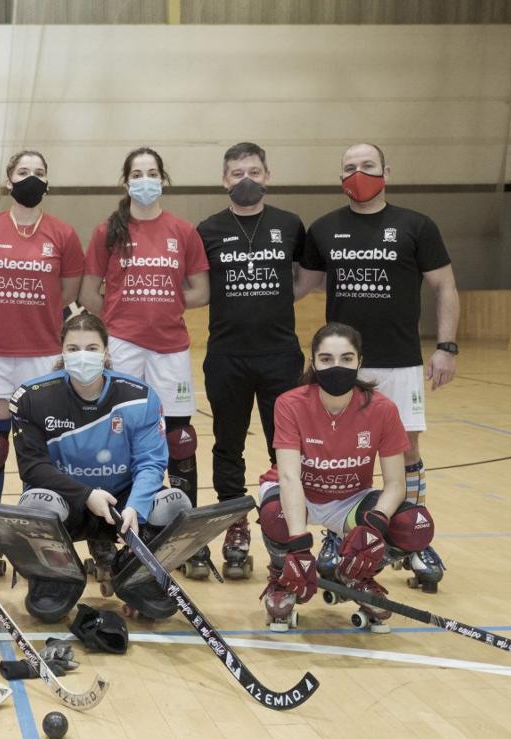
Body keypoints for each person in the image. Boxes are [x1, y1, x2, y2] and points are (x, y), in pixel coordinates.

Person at [297, 143, 458, 592]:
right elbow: (300, 286)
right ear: (340, 176)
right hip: (341, 364)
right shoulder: (324, 229)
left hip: (400, 360)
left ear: (386, 170)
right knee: (335, 456)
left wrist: (446, 346)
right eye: (349, 167)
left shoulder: (416, 226)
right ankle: (336, 534)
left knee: (406, 452)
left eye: (367, 166)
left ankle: (412, 538)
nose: (358, 173)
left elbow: (444, 286)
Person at [78, 147, 211, 576]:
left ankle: (182, 533)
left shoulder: (182, 231)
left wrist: (166, 304)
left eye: (152, 172)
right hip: (124, 343)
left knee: (178, 436)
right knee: (118, 435)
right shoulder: (107, 231)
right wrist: (117, 315)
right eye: (137, 173)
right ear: (126, 182)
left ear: (163, 179)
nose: (145, 179)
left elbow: (200, 290)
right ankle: (108, 530)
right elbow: (88, 292)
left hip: (170, 346)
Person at [257, 323, 435, 632]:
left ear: (360, 362)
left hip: (350, 499)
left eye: (346, 358)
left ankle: (355, 572)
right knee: (275, 514)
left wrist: (374, 525)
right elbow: (288, 476)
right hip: (301, 493)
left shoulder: (382, 409)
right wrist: (299, 547)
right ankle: (283, 575)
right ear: (313, 363)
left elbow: (395, 483)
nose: (336, 366)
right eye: (326, 359)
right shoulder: (290, 403)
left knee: (415, 525)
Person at [8, 312, 174, 622]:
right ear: (62, 352)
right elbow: (33, 468)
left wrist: (136, 508)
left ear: (107, 352)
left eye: (92, 348)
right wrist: (86, 494)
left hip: (121, 504)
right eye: (73, 348)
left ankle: (137, 575)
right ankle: (56, 578)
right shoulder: (31, 398)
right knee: (35, 504)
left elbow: (151, 462)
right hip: (66, 498)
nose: (82, 356)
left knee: (170, 504)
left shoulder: (139, 397)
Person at [195, 142, 307, 579]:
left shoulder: (289, 224)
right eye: (237, 173)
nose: (246, 180)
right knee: (228, 442)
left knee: (287, 446)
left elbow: (305, 279)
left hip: (280, 353)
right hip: (226, 354)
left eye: (254, 172)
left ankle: (284, 524)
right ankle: (235, 523)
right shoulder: (207, 229)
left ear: (267, 175)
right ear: (224, 180)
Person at [0, 149, 84, 505]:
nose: (31, 177)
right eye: (23, 171)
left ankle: (39, 516)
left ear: (47, 181)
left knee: (41, 444)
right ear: (8, 179)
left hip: (43, 352)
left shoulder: (63, 233)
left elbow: (67, 292)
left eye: (39, 171)